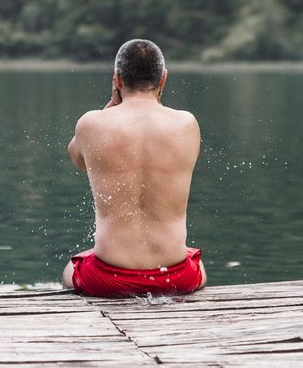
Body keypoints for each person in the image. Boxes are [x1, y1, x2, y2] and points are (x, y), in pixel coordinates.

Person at [61, 39, 206, 297]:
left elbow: (78, 159)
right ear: (163, 79)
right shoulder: (187, 124)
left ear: (117, 80)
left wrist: (108, 110)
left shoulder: (91, 124)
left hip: (106, 278)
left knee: (69, 270)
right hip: (174, 277)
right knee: (199, 264)